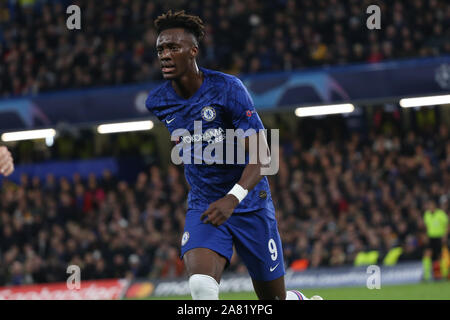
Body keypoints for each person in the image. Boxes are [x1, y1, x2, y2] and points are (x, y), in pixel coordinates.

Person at [145, 10, 321, 300]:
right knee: (201, 287)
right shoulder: (158, 102)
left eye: (173, 48)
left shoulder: (228, 89)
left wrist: (233, 197)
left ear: (193, 51)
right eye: (161, 49)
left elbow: (263, 155)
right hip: (205, 206)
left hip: (249, 203)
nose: (165, 54)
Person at [422, 199, 449, 281]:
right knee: (427, 255)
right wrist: (426, 235)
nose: (429, 207)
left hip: (439, 237)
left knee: (440, 256)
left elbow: (447, 225)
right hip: (431, 238)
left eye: (431, 205)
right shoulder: (426, 214)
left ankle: (445, 274)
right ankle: (426, 276)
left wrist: (445, 236)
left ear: (434, 206)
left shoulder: (441, 214)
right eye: (428, 205)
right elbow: (426, 226)